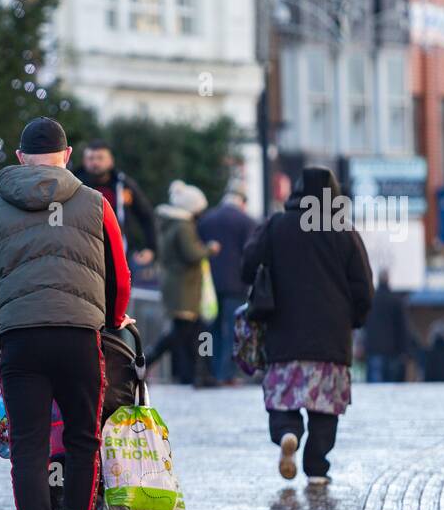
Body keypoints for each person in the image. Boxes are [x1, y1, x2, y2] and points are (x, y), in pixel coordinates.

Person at [0, 117, 131, 510]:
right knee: (84, 438)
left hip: (21, 340)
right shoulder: (96, 204)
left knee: (29, 446)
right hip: (80, 338)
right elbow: (118, 276)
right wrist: (112, 320)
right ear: (67, 155)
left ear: (20, 158)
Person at [240, 166, 373, 486]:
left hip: (283, 334)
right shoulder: (344, 231)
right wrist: (355, 320)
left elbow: (247, 267)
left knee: (283, 400)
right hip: (331, 337)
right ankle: (317, 468)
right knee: (325, 409)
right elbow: (364, 286)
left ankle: (288, 434)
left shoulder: (276, 226)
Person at [147, 180, 216, 386]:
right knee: (183, 331)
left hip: (176, 285)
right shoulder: (184, 226)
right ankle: (146, 360)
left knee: (193, 331)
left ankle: (199, 373)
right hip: (185, 286)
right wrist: (209, 249)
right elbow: (192, 253)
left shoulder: (169, 222)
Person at [197, 184, 256, 383]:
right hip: (236, 284)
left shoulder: (206, 220)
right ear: (242, 202)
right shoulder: (246, 221)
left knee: (211, 330)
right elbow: (250, 253)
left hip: (208, 285)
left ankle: (212, 371)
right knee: (233, 329)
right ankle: (227, 373)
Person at [73, 139, 157, 267]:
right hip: (80, 256)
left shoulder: (124, 185)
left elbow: (146, 215)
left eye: (100, 158)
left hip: (119, 257)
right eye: (90, 158)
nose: (95, 162)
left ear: (111, 160)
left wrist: (151, 248)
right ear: (84, 161)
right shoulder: (72, 184)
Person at [365, 271, 413, 382]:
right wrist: (405, 350)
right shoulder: (396, 300)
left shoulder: (372, 300)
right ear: (388, 280)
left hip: (373, 350)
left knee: (374, 389)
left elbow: (364, 324)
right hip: (392, 352)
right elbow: (402, 328)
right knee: (390, 389)